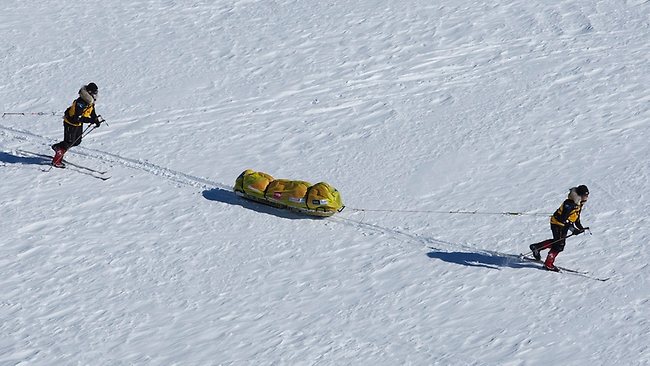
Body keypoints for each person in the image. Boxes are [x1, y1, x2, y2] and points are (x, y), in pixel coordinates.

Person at [529, 185, 590, 271]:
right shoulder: (569, 203)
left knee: (558, 242)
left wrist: (580, 228)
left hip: (564, 225)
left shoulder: (578, 204)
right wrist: (573, 229)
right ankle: (548, 263)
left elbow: (576, 218)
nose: (587, 197)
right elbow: (563, 218)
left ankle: (537, 247)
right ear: (580, 195)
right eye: (585, 195)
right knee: (559, 245)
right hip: (557, 224)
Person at [51, 82, 103, 167]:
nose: (96, 95)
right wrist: (91, 120)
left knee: (77, 141)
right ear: (89, 92)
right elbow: (77, 118)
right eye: (94, 93)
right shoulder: (81, 103)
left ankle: (58, 147)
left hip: (78, 124)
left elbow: (92, 112)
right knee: (69, 142)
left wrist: (96, 120)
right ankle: (56, 159)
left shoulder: (90, 101)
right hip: (70, 123)